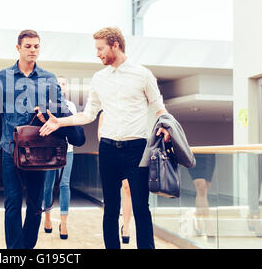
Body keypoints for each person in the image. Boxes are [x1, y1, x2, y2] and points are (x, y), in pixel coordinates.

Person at [39, 27, 171, 249]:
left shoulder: (142, 74)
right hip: (109, 149)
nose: (97, 53)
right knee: (110, 208)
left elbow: (159, 108)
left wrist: (166, 127)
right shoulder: (99, 78)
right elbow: (88, 115)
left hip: (137, 149)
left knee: (141, 207)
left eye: (100, 48)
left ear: (115, 45)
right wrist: (60, 122)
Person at [0, 29, 85, 249]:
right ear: (18, 48)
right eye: (28, 46)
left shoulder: (49, 79)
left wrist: (66, 123)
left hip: (39, 152)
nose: (33, 50)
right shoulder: (2, 77)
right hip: (10, 150)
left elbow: (61, 112)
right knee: (12, 204)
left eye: (36, 46)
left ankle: (27, 248)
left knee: (35, 206)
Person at [43, 76, 77, 240]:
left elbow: (74, 128)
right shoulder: (46, 105)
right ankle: (47, 217)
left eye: (63, 84)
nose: (60, 87)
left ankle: (63, 223)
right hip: (48, 150)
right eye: (57, 84)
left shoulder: (71, 106)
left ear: (66, 87)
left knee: (64, 185)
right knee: (47, 185)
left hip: (67, 150)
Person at [98, 111, 133, 244]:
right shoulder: (104, 114)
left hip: (128, 155)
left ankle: (126, 226)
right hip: (110, 156)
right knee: (112, 201)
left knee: (127, 188)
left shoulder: (128, 111)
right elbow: (100, 136)